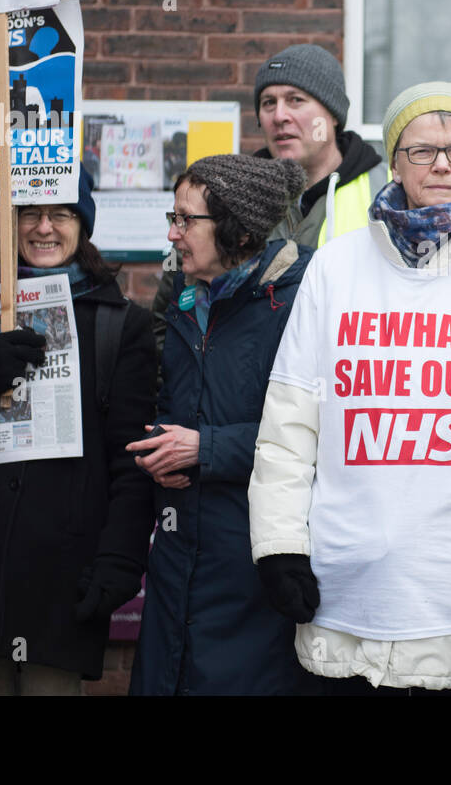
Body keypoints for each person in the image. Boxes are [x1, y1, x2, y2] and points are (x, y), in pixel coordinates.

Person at [250, 82, 451, 695]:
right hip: (347, 589)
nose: (440, 165)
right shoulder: (336, 264)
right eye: (421, 150)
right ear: (394, 160)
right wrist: (278, 545)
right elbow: (290, 425)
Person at [0, 166, 157, 695]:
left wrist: (120, 560)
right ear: (10, 222)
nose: (44, 228)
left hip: (63, 576)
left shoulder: (120, 324)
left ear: (81, 224)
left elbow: (130, 461)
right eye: (30, 214)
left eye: (60, 214)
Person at [128, 153, 314, 695]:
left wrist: (204, 448)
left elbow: (321, 435)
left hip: (252, 562)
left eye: (186, 220)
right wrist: (163, 447)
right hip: (179, 552)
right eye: (173, 217)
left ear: (235, 229)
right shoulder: (186, 300)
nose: (173, 233)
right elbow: (182, 408)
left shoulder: (301, 301)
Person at [150, 44, 384, 354]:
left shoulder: (387, 189)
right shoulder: (226, 197)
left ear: (333, 114)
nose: (279, 116)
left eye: (296, 100)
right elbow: (170, 314)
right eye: (268, 103)